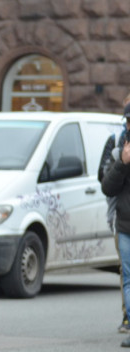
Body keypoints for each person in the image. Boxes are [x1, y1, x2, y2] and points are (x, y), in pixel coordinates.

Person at [98, 92, 130, 334]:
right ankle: (127, 318)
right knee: (127, 273)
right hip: (122, 218)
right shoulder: (117, 142)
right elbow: (104, 180)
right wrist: (122, 163)